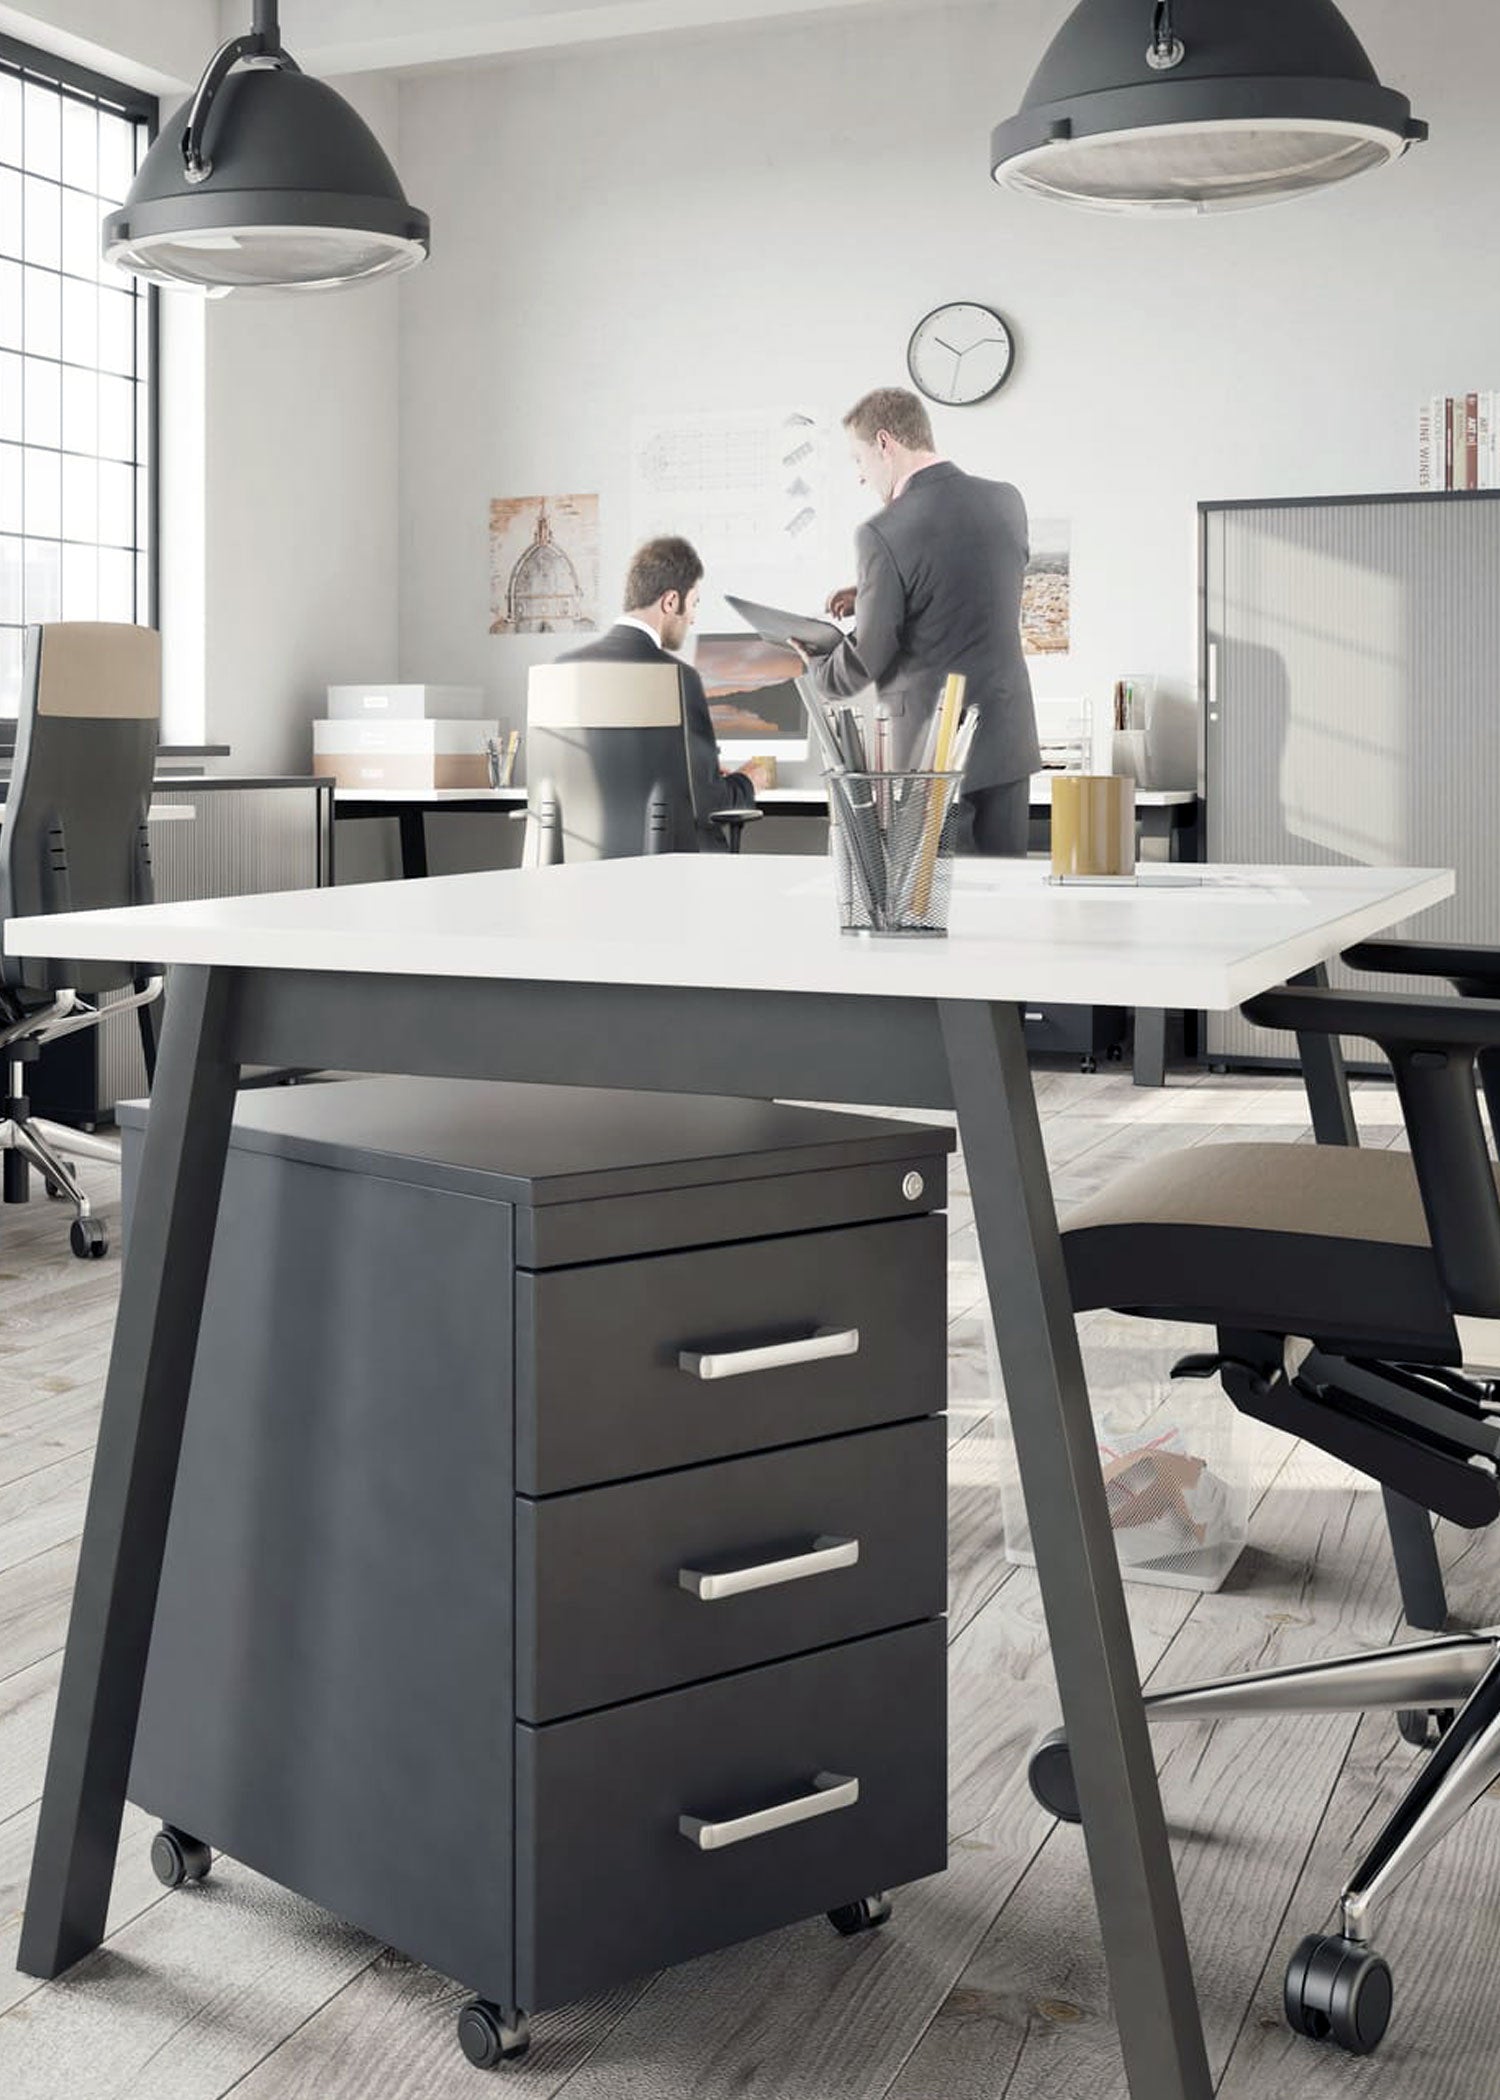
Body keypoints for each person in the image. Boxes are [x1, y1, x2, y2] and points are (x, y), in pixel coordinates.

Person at [806, 386, 1041, 857]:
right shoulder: (1006, 501)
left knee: (937, 905)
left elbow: (868, 657)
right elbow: (967, 585)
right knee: (1006, 899)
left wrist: (817, 660)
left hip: (934, 752)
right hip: (1007, 737)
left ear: (886, 444)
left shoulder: (882, 532)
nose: (860, 476)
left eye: (859, 459)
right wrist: (874, 595)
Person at [558, 538, 771, 852]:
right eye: (694, 603)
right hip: (668, 873)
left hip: (580, 864)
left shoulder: (563, 670)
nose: (693, 618)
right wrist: (746, 781)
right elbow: (708, 802)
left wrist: (695, 772)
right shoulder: (677, 678)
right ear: (671, 602)